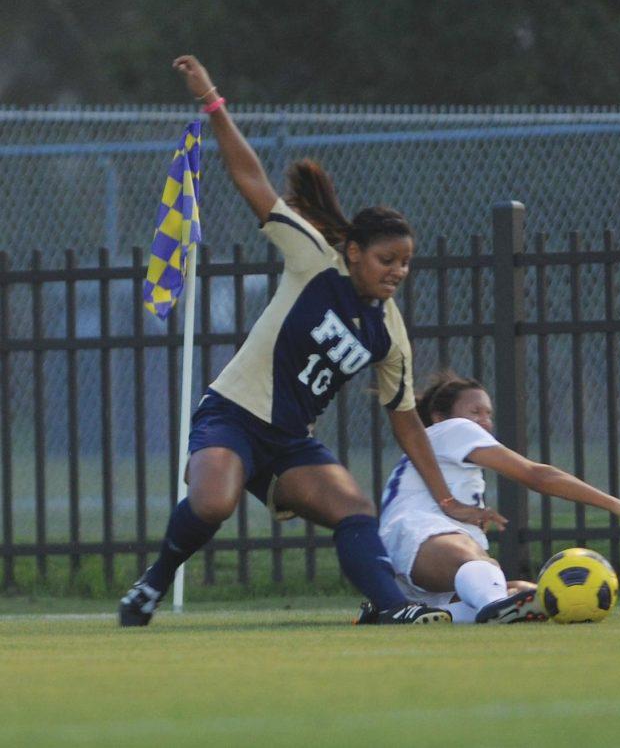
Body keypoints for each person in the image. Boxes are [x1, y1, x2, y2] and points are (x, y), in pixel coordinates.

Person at [118, 56, 503, 626]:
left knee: (354, 509)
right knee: (213, 503)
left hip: (289, 444)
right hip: (232, 416)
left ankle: (390, 610)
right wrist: (214, 103)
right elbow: (253, 180)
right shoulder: (314, 262)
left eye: (405, 263)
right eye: (386, 259)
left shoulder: (389, 333)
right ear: (353, 252)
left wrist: (446, 499)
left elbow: (405, 422)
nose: (397, 271)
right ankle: (151, 585)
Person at [361, 372, 620, 624]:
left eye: (488, 413)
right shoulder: (453, 430)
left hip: (412, 564)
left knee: (528, 592)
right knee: (483, 571)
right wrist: (615, 504)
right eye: (475, 411)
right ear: (440, 416)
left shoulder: (445, 457)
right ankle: (496, 607)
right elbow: (537, 476)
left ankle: (408, 614)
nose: (484, 420)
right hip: (418, 537)